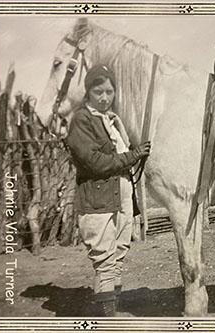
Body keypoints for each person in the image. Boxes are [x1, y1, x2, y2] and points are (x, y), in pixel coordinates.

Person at [66, 64, 151, 316]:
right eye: (98, 91)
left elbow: (123, 151)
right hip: (98, 199)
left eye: (109, 92)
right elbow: (95, 162)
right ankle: (106, 320)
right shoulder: (82, 120)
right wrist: (133, 156)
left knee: (118, 254)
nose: (104, 97)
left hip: (121, 194)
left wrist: (123, 130)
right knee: (104, 259)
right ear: (88, 92)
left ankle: (110, 311)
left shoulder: (110, 120)